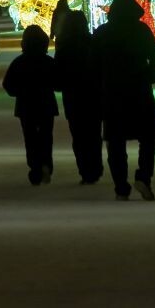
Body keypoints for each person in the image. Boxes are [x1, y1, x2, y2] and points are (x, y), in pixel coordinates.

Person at [91, 0, 155, 201]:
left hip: (113, 94)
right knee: (148, 138)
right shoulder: (141, 30)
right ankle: (144, 176)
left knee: (115, 142)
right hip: (139, 91)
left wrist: (100, 85)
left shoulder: (103, 32)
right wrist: (150, 76)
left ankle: (121, 186)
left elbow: (93, 63)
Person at [3, 25, 59, 185]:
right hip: (46, 105)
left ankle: (35, 168)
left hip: (26, 106)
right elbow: (58, 82)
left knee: (30, 138)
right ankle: (46, 164)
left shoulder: (19, 62)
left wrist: (19, 92)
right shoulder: (48, 62)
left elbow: (8, 84)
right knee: (46, 137)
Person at [55, 10, 103, 185]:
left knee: (78, 135)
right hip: (93, 95)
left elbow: (57, 77)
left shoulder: (64, 47)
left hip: (73, 97)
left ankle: (85, 170)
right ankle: (96, 168)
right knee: (94, 133)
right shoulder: (93, 43)